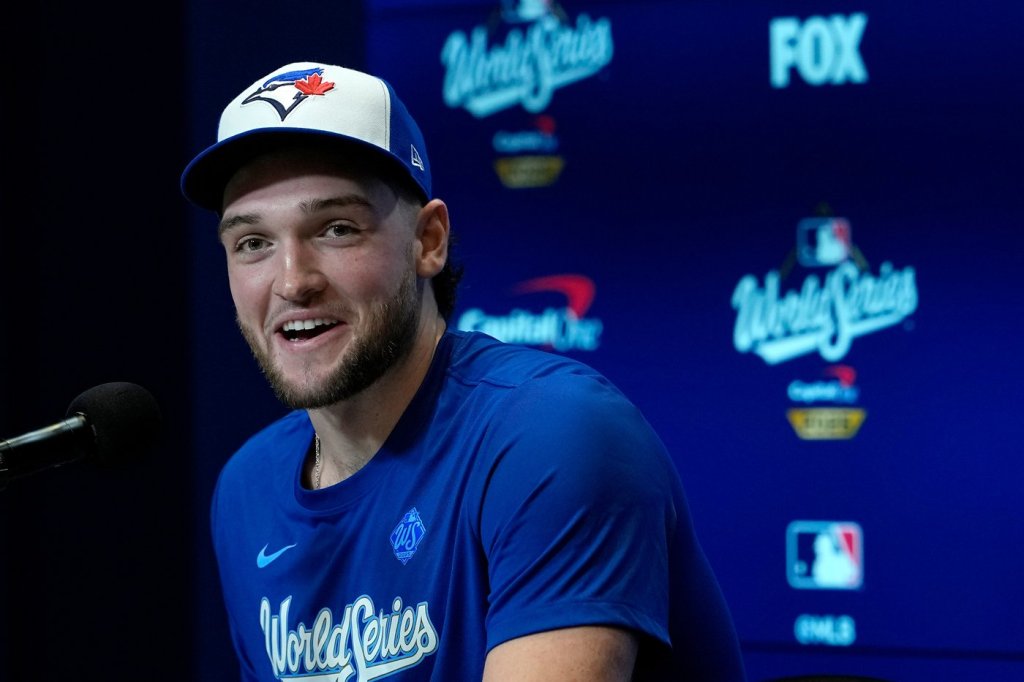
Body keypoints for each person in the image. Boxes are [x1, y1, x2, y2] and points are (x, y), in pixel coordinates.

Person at [181, 60, 747, 681]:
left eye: (337, 229)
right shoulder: (247, 489)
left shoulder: (552, 436)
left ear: (428, 241)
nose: (292, 282)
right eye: (253, 243)